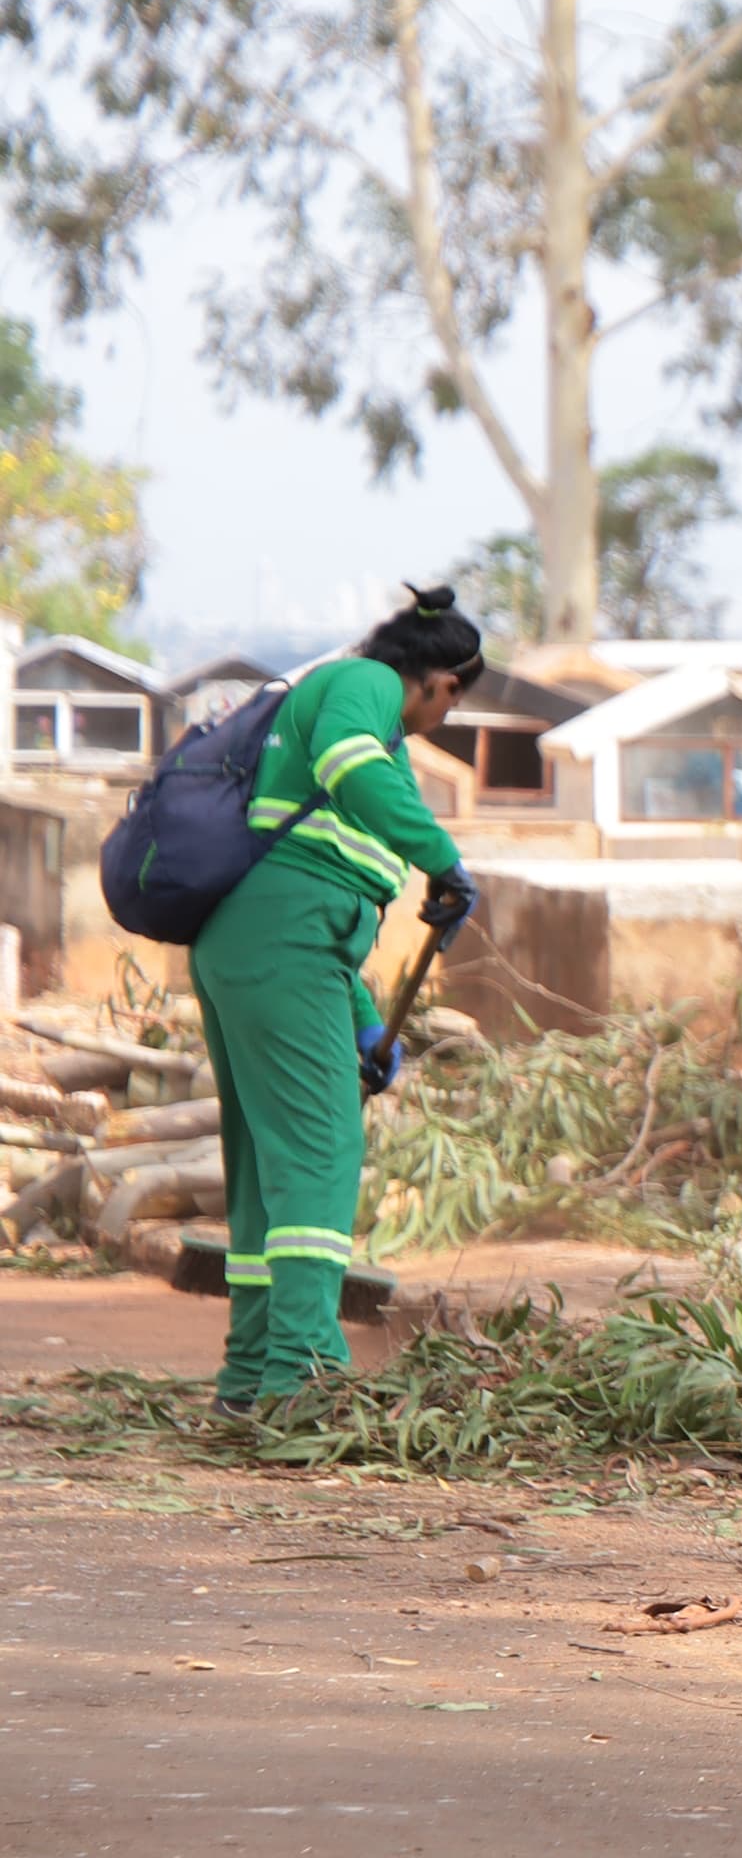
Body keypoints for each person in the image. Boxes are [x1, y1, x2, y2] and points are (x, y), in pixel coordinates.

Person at [194, 586, 482, 1409]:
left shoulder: (335, 696)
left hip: (255, 940)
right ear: (439, 677)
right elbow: (347, 763)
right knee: (321, 1153)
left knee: (263, 1165)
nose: (445, 716)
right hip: (281, 939)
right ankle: (303, 1375)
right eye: (453, 698)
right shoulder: (368, 687)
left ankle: (249, 1376)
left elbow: (322, 895)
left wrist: (361, 1023)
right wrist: (441, 856)